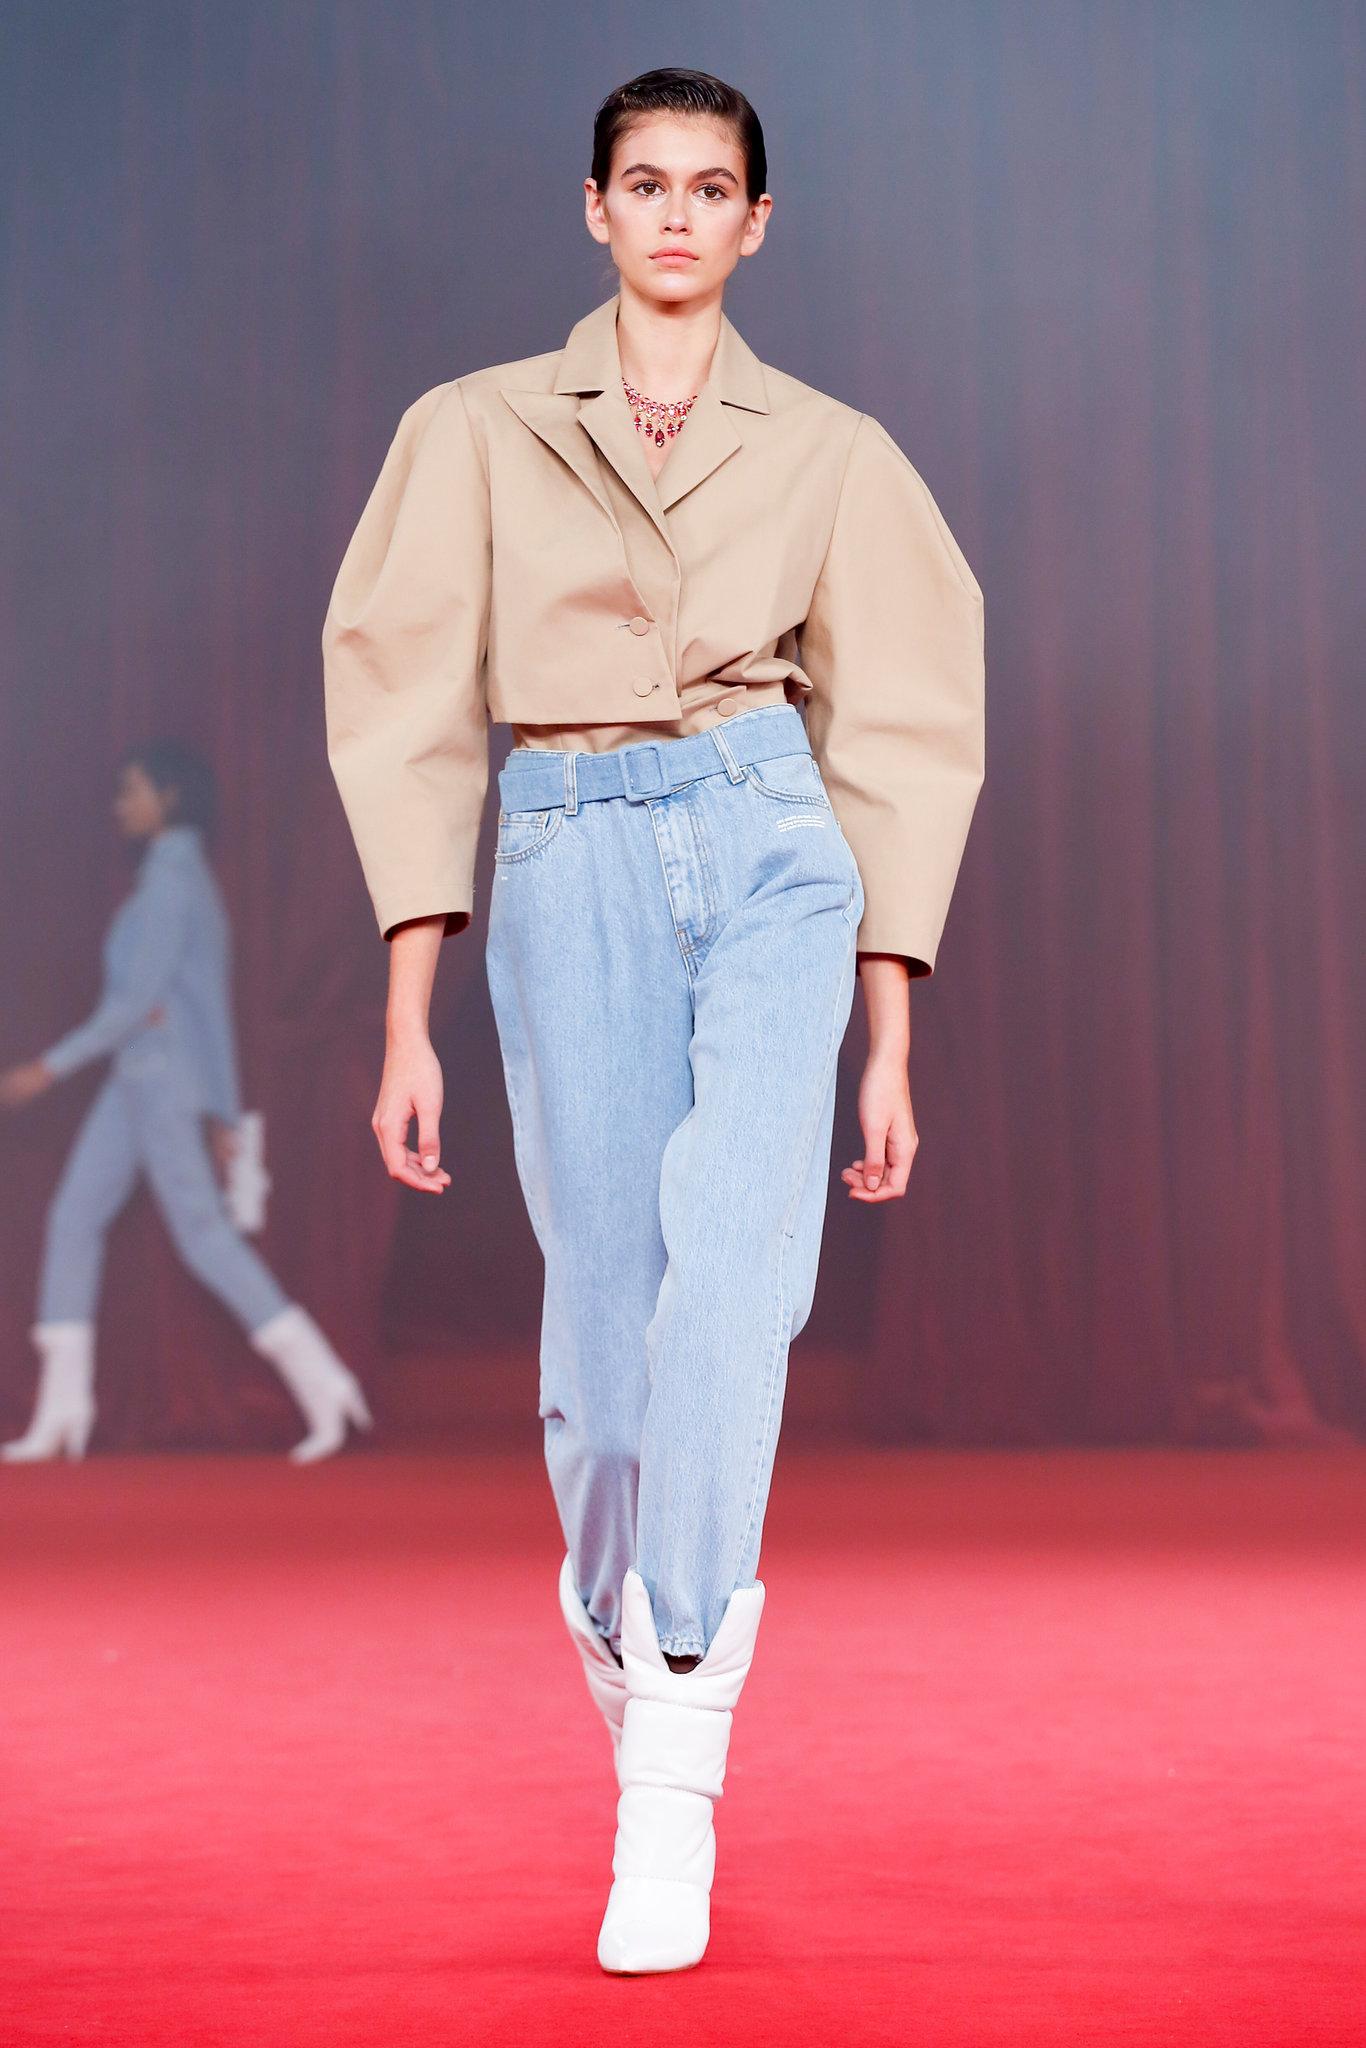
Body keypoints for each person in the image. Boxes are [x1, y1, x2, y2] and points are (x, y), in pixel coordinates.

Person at [321, 68, 985, 1972]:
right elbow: (402, 708)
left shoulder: (837, 451)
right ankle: (623, 1619)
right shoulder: (468, 430)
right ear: (593, 208)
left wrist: (891, 1028)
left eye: (711, 187)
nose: (677, 213)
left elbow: (906, 734)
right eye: (645, 181)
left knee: (734, 1276)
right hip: (566, 846)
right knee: (607, 1319)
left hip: (771, 837)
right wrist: (407, 1013)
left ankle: (672, 1764)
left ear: (756, 224)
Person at [0, 740, 373, 1465]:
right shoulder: (173, 880)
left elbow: (142, 1002)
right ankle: (64, 1408)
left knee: (202, 1235)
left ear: (169, 797)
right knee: (74, 1219)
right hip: (139, 1078)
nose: (120, 804)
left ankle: (326, 1383)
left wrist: (45, 1070)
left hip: (160, 1079)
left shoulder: (173, 883)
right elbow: (196, 1005)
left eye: (132, 790)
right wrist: (222, 1108)